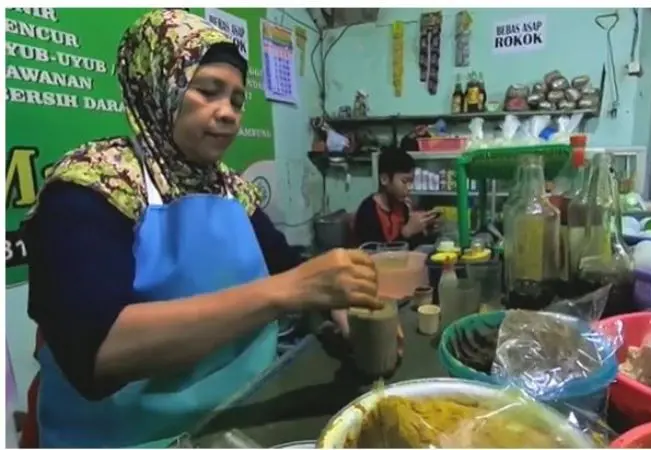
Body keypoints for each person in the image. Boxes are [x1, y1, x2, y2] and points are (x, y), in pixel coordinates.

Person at [19, 10, 383, 448]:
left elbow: (288, 266)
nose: (227, 113)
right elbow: (98, 356)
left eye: (235, 99)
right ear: (157, 86)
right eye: (208, 91)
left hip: (238, 417)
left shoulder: (231, 190)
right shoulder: (91, 187)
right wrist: (285, 292)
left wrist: (351, 315)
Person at [353, 150, 439, 248]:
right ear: (384, 179)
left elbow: (411, 246)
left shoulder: (403, 207)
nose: (409, 187)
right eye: (404, 181)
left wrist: (425, 229)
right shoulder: (368, 211)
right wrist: (407, 232)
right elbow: (375, 255)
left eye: (411, 181)